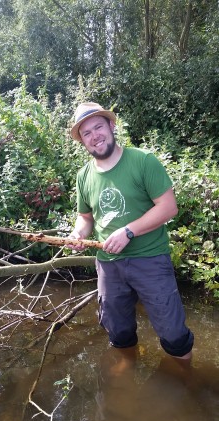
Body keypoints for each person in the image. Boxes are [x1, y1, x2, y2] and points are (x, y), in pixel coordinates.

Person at [69, 101, 194, 359]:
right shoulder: (83, 176)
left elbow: (168, 207)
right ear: (82, 141)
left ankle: (186, 375)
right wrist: (78, 234)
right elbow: (85, 217)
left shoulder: (143, 161)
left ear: (111, 126)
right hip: (108, 265)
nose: (95, 136)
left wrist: (129, 231)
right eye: (87, 133)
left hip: (150, 259)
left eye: (98, 127)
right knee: (119, 333)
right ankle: (127, 374)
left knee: (174, 335)